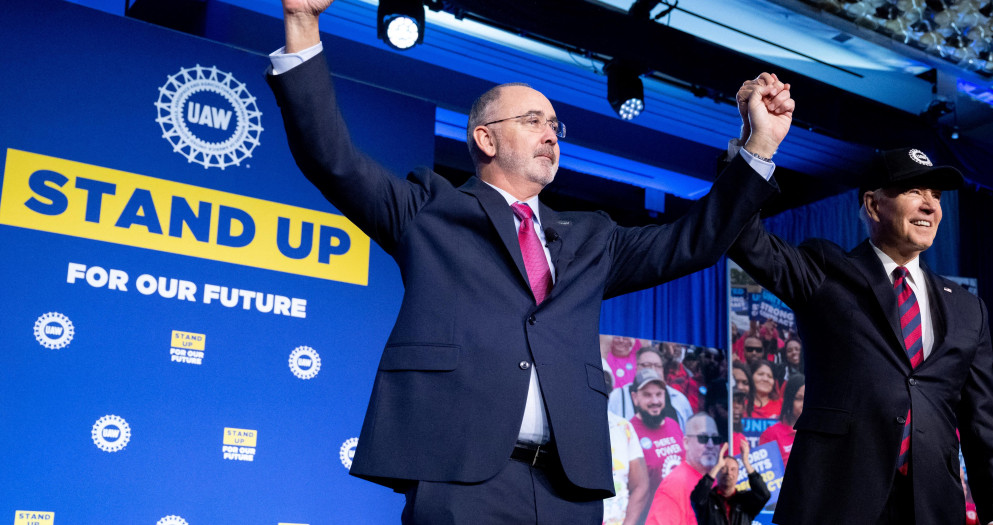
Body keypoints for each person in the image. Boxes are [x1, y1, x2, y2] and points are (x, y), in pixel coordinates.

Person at [266, 1, 793, 522]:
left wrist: (758, 148)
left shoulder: (592, 237)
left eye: (554, 125)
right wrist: (303, 23)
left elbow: (694, 241)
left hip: (570, 488)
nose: (550, 134)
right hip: (461, 480)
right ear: (485, 137)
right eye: (533, 119)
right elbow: (330, 157)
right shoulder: (430, 209)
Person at [728, 144, 993, 524]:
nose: (930, 205)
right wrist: (755, 150)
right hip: (833, 504)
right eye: (915, 191)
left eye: (936, 195)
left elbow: (984, 426)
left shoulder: (968, 309)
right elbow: (744, 239)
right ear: (873, 204)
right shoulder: (824, 270)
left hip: (932, 509)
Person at [646, 414, 723, 525]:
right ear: (686, 443)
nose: (710, 445)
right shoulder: (674, 486)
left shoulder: (714, 479)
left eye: (715, 439)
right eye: (703, 438)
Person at [602, 361, 651, 525]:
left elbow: (640, 485)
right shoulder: (566, 425)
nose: (601, 387)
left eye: (606, 383)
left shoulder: (623, 427)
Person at [630, 368, 687, 496]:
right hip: (650, 513)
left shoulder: (673, 424)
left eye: (659, 394)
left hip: (680, 508)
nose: (655, 401)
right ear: (635, 398)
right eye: (647, 395)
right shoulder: (629, 431)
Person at [610, 347, 695, 428]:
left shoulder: (679, 399)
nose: (652, 369)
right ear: (636, 368)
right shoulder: (618, 396)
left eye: (657, 366)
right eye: (646, 365)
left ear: (663, 369)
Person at [690, 440, 771, 525]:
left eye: (733, 469)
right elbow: (697, 497)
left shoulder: (745, 501)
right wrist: (717, 465)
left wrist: (746, 463)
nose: (729, 472)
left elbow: (764, 495)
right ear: (717, 473)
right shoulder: (707, 500)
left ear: (738, 475)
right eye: (723, 468)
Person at [759, 375, 804, 465]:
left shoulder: (819, 433)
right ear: (789, 400)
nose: (804, 405)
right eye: (799, 399)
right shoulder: (771, 435)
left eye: (809, 399)